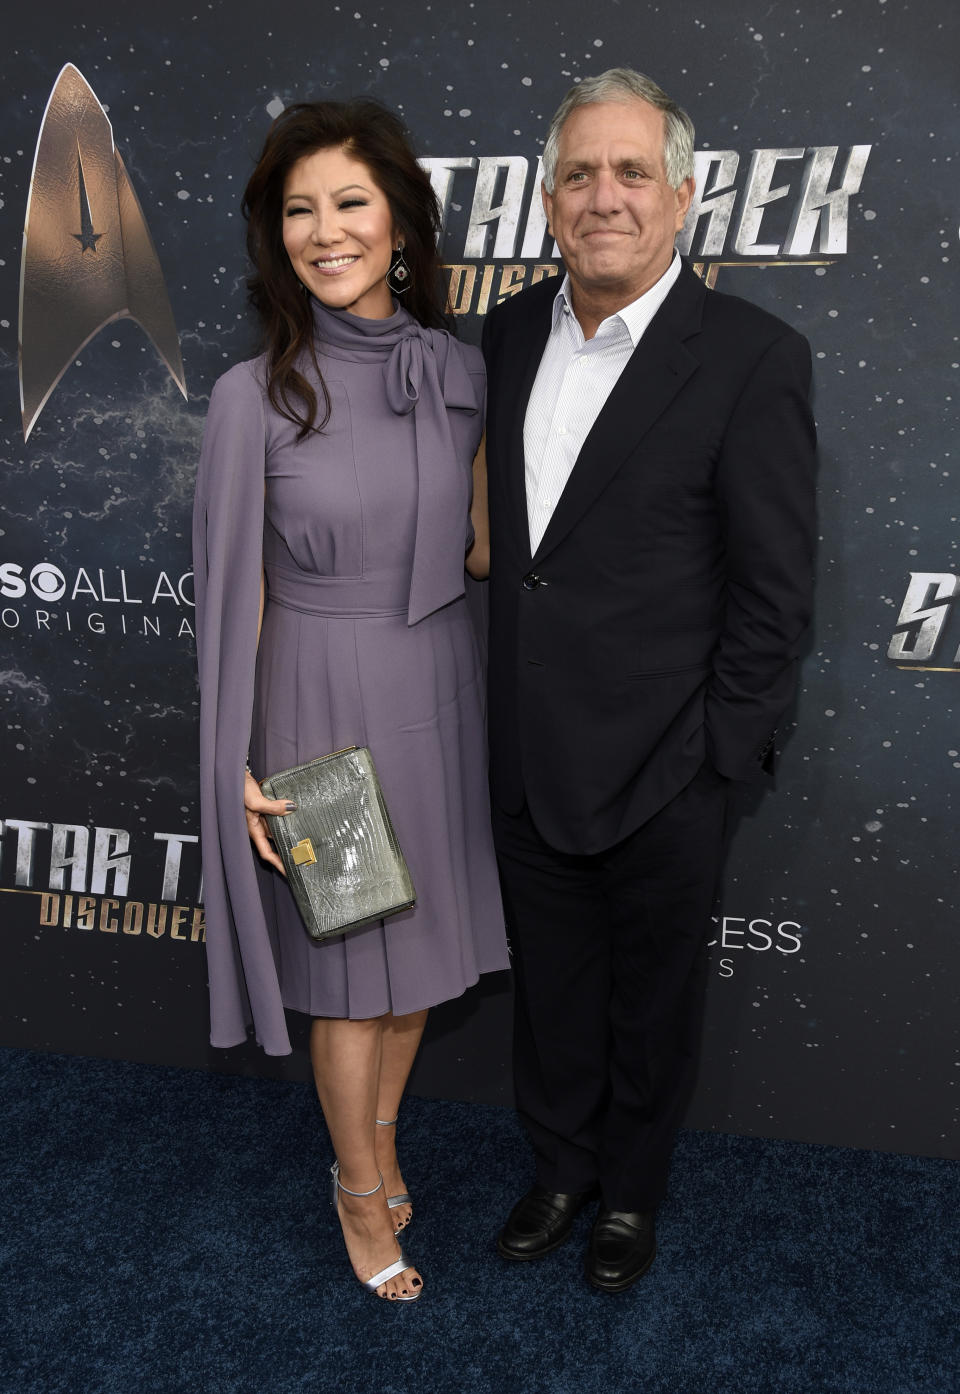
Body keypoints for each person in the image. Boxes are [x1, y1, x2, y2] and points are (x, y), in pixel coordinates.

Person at [482, 68, 817, 1292]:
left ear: (682, 195)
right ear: (548, 197)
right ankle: (559, 1167)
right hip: (526, 744)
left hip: (670, 763)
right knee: (550, 990)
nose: (604, 196)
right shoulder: (509, 330)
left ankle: (629, 1194)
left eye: (631, 173)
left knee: (653, 1000)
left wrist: (720, 758)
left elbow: (776, 592)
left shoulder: (752, 357)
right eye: (580, 173)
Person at [193, 98, 509, 1303]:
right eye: (298, 211)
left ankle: (372, 1149)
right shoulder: (251, 396)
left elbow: (483, 548)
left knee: (417, 969)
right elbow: (239, 597)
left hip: (439, 687)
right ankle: (362, 1183)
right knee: (350, 977)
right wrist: (239, 759)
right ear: (277, 238)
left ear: (401, 223)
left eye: (350, 202)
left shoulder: (462, 372)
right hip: (318, 700)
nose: (326, 231)